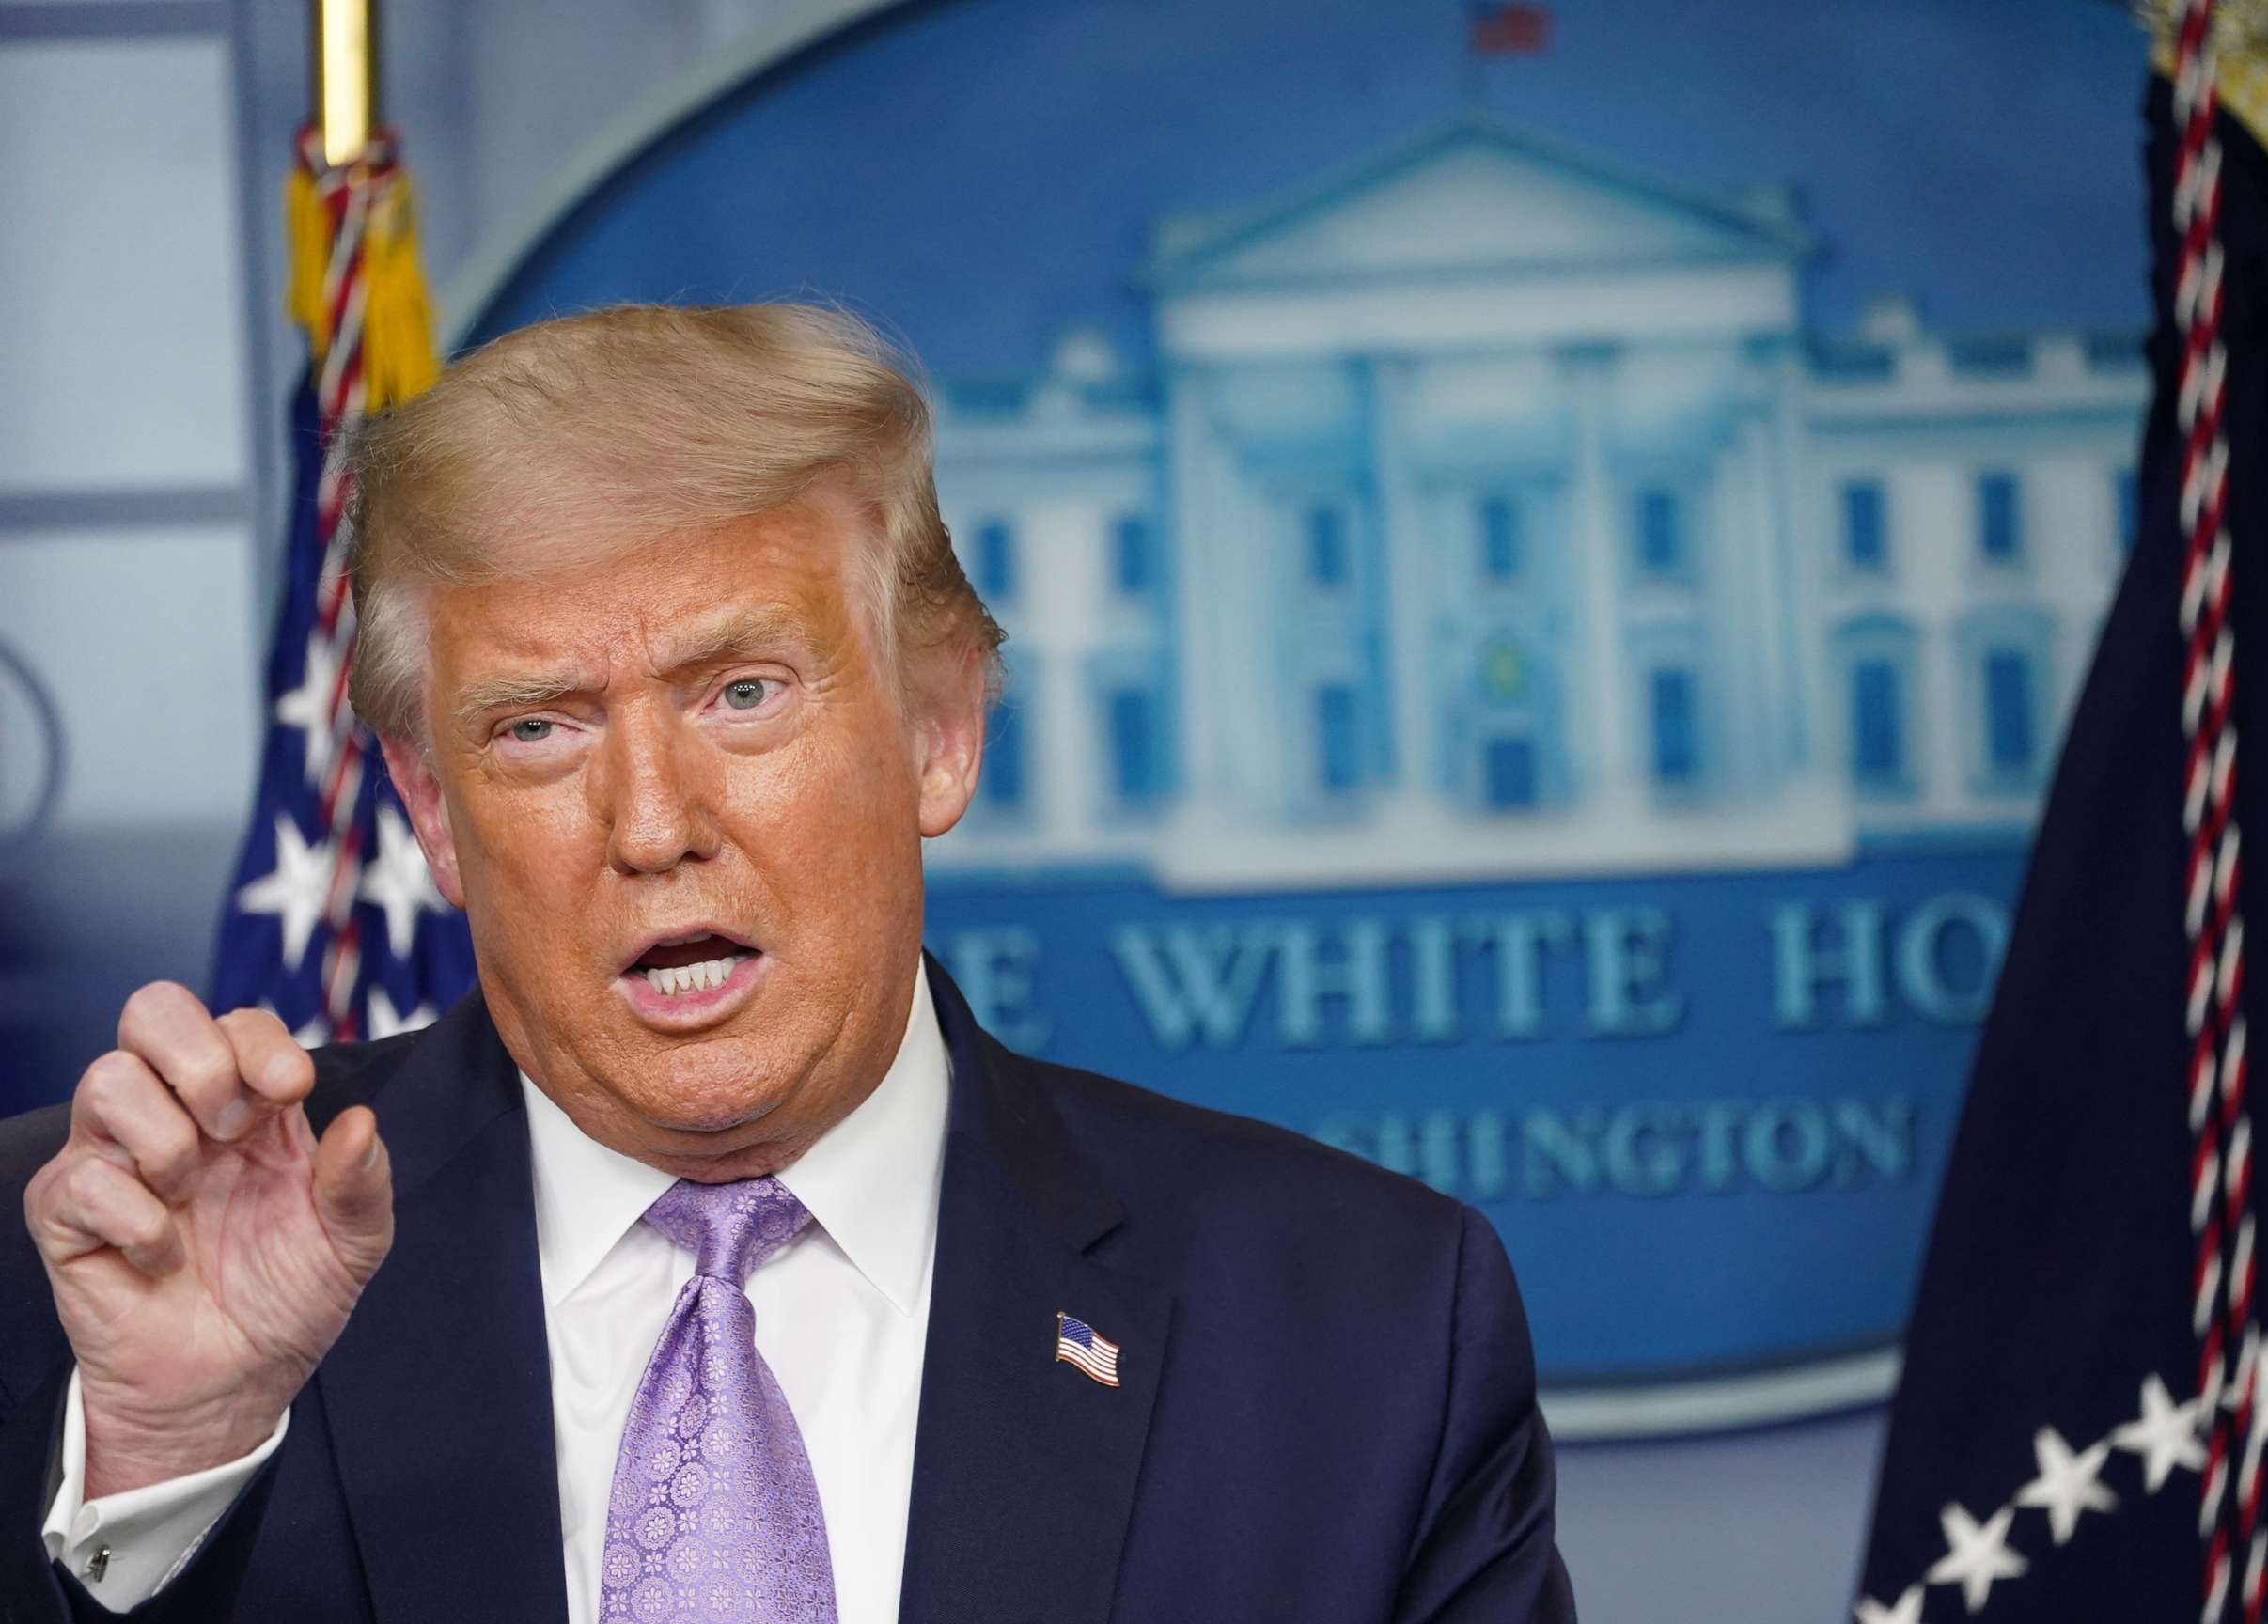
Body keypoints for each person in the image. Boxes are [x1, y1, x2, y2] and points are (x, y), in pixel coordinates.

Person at [0, 304, 1573, 1623]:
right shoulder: (88, 1281)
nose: (651, 824)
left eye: (743, 692)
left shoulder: (1358, 1330)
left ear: (941, 729)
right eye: (538, 728)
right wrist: (168, 1464)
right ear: (433, 814)